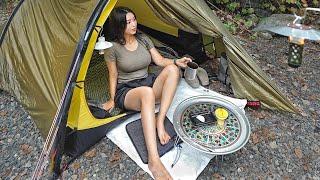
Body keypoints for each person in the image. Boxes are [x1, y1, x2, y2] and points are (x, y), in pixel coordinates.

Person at [103, 7, 191, 180]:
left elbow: (159, 61)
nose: (133, 24)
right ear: (119, 25)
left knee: (172, 70)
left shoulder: (144, 39)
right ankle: (153, 159)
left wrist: (176, 61)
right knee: (147, 93)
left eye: (134, 19)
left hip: (147, 84)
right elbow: (113, 75)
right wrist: (111, 99)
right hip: (128, 91)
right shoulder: (112, 48)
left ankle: (160, 120)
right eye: (128, 22)